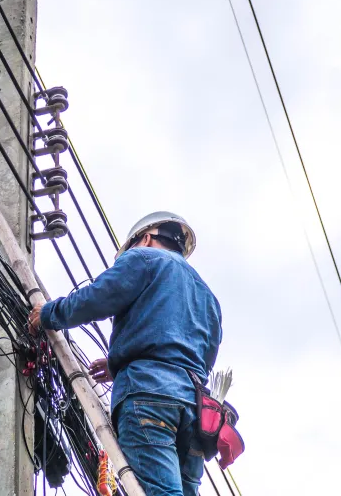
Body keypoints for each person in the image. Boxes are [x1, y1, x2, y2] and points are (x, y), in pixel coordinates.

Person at [28, 211, 222, 496]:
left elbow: (97, 298)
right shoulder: (208, 297)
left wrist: (48, 314)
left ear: (145, 238)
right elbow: (199, 356)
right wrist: (120, 361)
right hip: (195, 410)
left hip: (147, 396)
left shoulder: (143, 258)